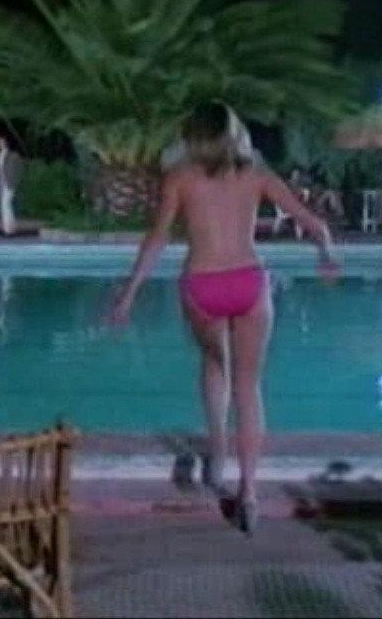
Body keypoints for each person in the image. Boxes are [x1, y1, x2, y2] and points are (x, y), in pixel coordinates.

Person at [108, 102, 337, 536]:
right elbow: (314, 224)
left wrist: (129, 293)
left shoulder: (180, 177)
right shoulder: (256, 175)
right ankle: (248, 493)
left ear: (193, 137)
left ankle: (218, 453)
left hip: (203, 285)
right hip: (247, 283)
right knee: (249, 387)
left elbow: (157, 238)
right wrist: (326, 253)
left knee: (215, 363)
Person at [0, 134, 24, 236]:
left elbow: (20, 169)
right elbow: (0, 169)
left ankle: (9, 228)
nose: (0, 144)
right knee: (5, 205)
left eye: (2, 142)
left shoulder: (13, 155)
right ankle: (8, 227)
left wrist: (15, 181)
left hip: (10, 182)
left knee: (6, 203)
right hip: (2, 182)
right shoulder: (0, 155)